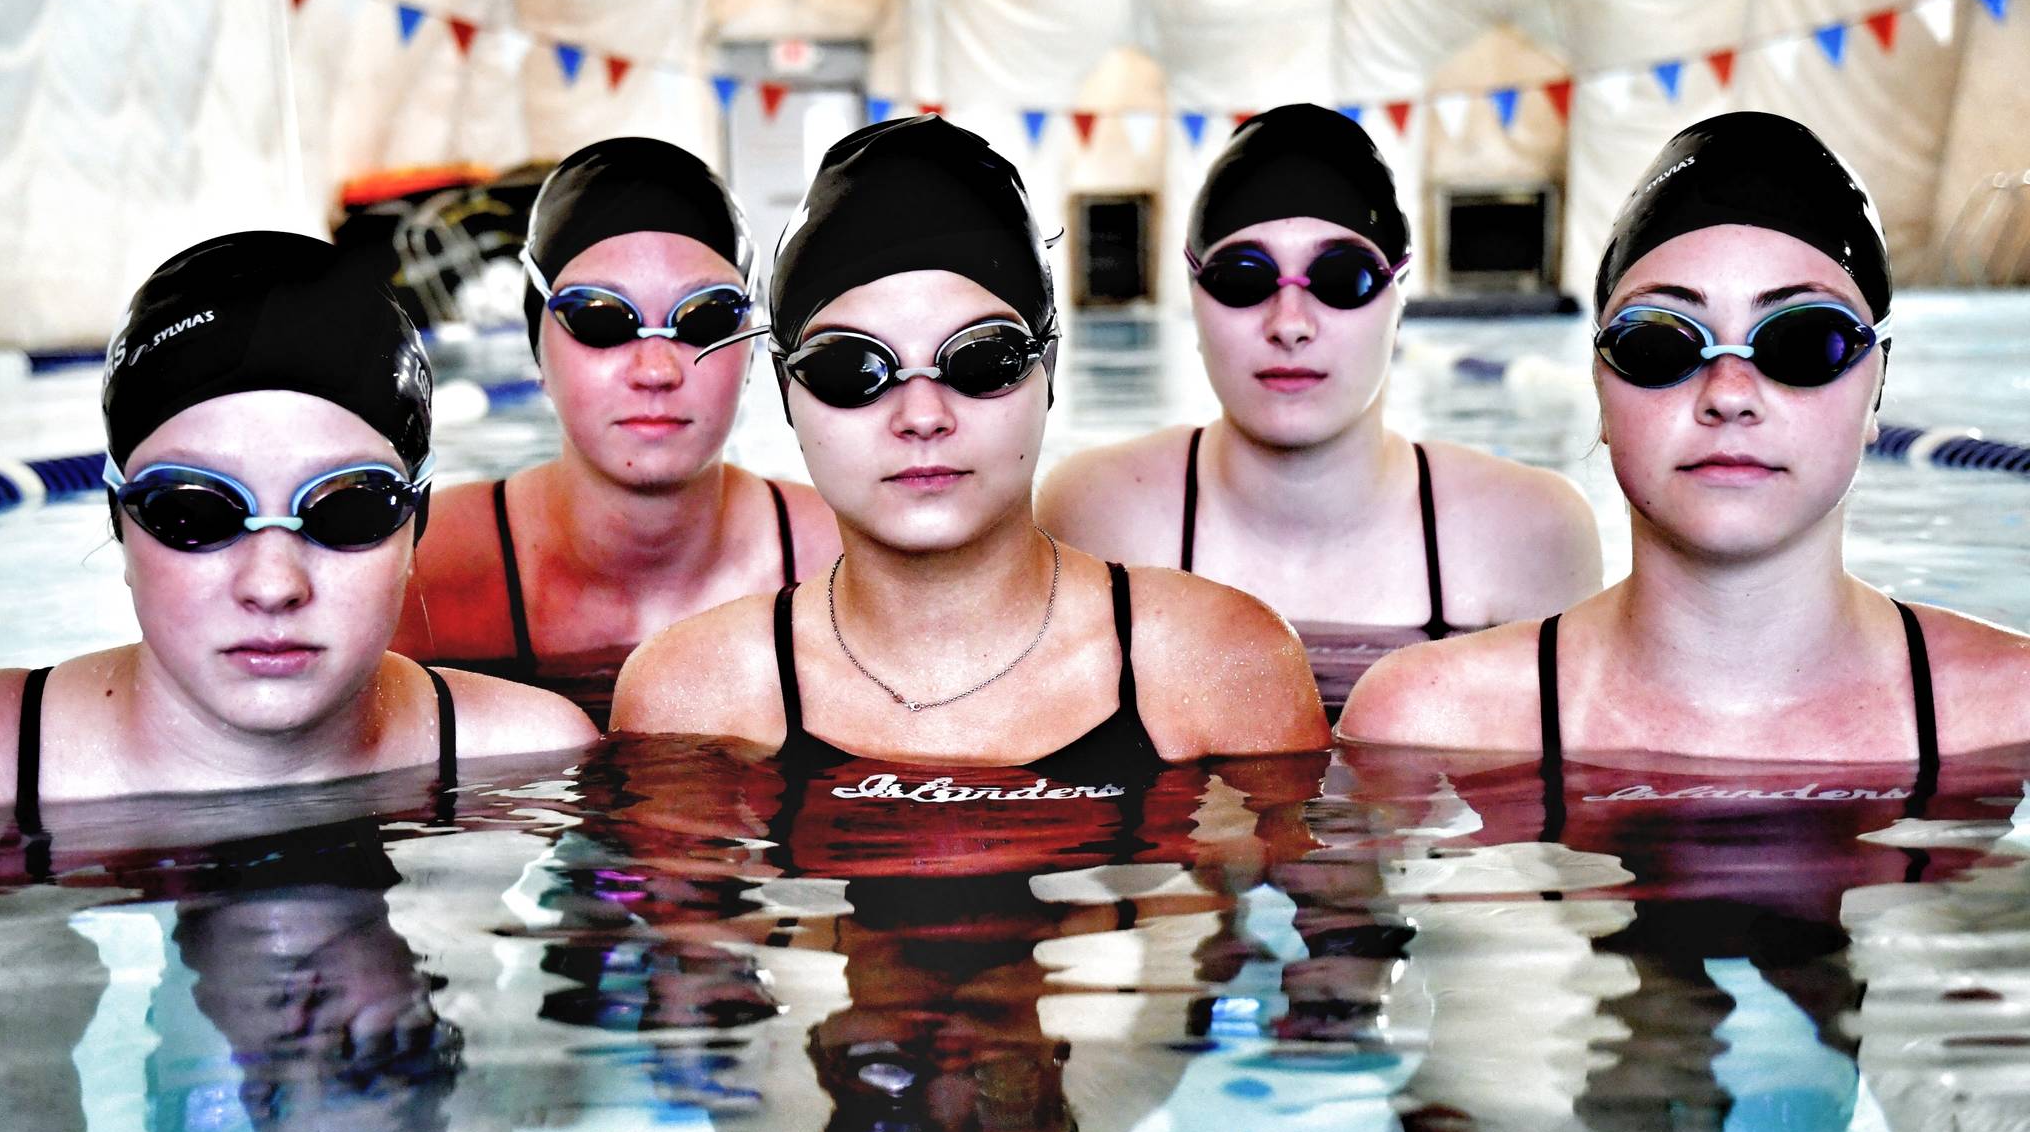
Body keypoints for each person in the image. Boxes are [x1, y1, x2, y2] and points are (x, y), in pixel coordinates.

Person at [613, 116, 1329, 768]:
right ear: (786, 393)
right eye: (851, 366)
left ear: (1048, 370)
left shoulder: (1225, 663)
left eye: (982, 359)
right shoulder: (688, 697)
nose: (922, 415)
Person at [1342, 111, 2030, 764]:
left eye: (1803, 341)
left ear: (1877, 386)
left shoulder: (2010, 710)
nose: (1729, 394)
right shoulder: (1428, 722)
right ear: (1601, 391)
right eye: (1658, 344)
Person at [0, 232, 595, 828]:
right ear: (119, 516)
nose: (273, 585)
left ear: (418, 521)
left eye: (349, 507)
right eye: (193, 511)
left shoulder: (538, 763)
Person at [1038, 104, 1601, 673]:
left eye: (1342, 279)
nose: (1289, 324)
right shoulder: (1097, 513)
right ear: (1195, 298)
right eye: (1243, 278)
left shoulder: (1526, 531)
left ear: (1398, 297)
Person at [393, 138, 840, 717]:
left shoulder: (837, 560)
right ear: (537, 351)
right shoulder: (424, 571)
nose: (655, 369)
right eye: (600, 319)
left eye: (704, 318)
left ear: (751, 350)